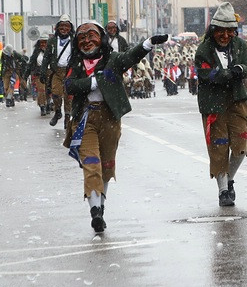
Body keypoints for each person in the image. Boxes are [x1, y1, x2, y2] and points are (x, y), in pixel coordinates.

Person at [63, 21, 168, 233]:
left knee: (106, 165)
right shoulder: (75, 64)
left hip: (110, 118)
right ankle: (95, 212)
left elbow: (131, 56)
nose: (87, 41)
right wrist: (92, 82)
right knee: (91, 163)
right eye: (82, 38)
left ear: (100, 38)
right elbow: (69, 85)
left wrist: (148, 43)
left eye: (91, 36)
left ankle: (101, 206)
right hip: (85, 119)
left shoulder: (112, 60)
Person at [194, 3, 247, 207]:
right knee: (218, 148)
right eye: (221, 31)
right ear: (213, 30)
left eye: (229, 31)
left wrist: (240, 69)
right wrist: (229, 73)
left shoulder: (241, 46)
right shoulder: (203, 50)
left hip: (237, 100)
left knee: (240, 146)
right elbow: (207, 74)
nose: (225, 35)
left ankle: (229, 178)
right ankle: (223, 191)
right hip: (213, 104)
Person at [48, 16, 75, 128]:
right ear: (57, 28)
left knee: (68, 96)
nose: (64, 28)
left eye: (66, 26)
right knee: (56, 93)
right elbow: (46, 57)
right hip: (57, 71)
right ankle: (58, 111)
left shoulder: (74, 40)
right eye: (61, 26)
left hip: (69, 71)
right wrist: (44, 71)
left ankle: (67, 118)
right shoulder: (52, 41)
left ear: (70, 28)